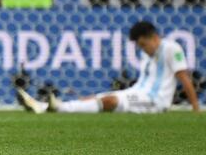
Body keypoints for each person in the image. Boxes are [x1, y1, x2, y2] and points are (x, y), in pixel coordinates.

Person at [18, 21, 200, 114]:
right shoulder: (147, 53)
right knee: (99, 97)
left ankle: (57, 108)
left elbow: (183, 77)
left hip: (155, 101)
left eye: (144, 44)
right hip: (138, 92)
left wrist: (196, 108)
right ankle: (44, 106)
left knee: (110, 102)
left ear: (153, 37)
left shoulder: (171, 48)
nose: (143, 49)